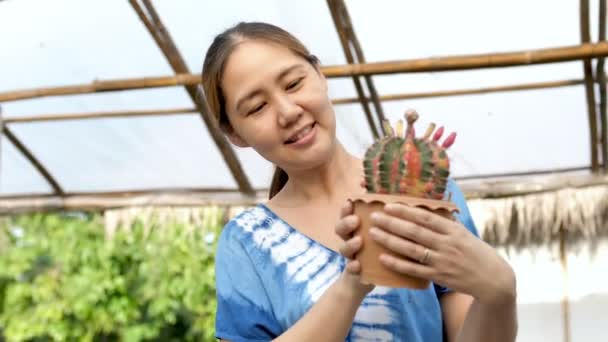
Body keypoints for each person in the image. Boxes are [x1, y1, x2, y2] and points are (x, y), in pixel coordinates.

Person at [201, 21, 517, 342]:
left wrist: (499, 292)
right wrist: (351, 286)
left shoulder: (422, 188)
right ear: (235, 134)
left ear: (320, 75)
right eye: (257, 107)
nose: (287, 112)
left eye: (294, 83)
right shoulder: (247, 243)